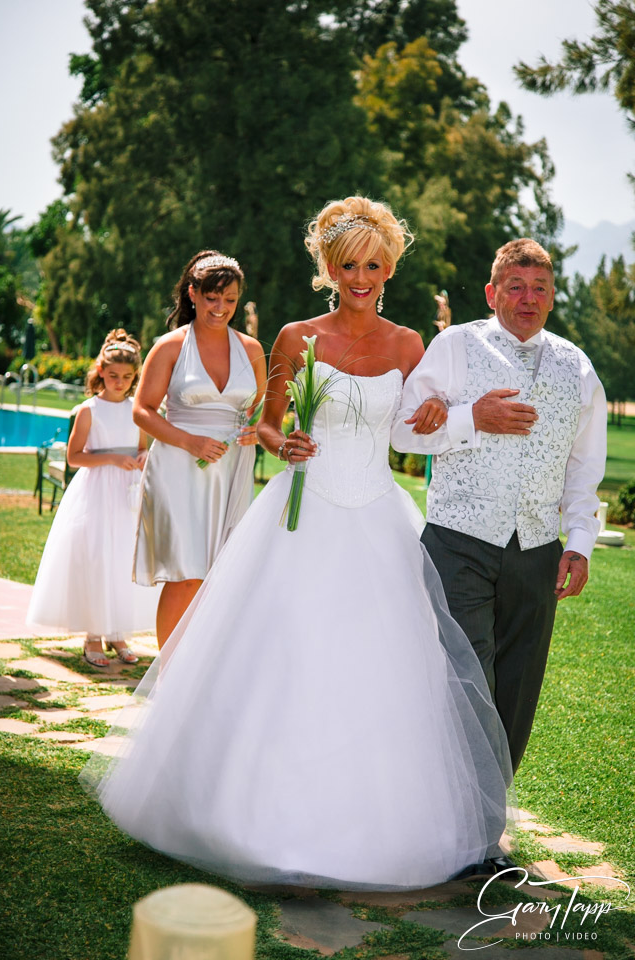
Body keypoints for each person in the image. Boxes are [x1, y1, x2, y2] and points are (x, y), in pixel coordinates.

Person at [83, 197, 512, 891]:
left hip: (376, 517)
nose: (362, 276)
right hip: (302, 517)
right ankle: (253, 817)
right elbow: (270, 425)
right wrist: (288, 442)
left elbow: (408, 436)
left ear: (390, 268)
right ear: (330, 269)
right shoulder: (294, 338)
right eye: (350, 265)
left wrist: (451, 415)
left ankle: (380, 827)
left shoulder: (410, 345)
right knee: (288, 653)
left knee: (385, 666)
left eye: (375, 264)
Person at [391, 238, 607, 778]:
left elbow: (584, 469)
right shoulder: (455, 347)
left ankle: (489, 815)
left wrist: (579, 544)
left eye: (540, 288)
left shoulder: (578, 368)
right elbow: (402, 432)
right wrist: (469, 418)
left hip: (537, 551)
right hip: (458, 541)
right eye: (516, 287)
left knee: (517, 687)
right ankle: (457, 816)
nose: (528, 299)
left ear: (554, 296)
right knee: (467, 676)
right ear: (492, 293)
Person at [132, 251, 266, 648]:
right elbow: (141, 411)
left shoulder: (253, 350)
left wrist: (257, 431)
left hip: (233, 469)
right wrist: (190, 441)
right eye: (211, 297)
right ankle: (169, 679)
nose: (220, 308)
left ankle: (201, 675)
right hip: (178, 464)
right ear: (193, 293)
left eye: (229, 299)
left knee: (221, 573)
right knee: (186, 572)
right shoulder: (170, 346)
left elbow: (261, 415)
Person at [27, 329, 159, 667]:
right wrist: (113, 459)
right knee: (97, 558)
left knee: (122, 561)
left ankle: (118, 634)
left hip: (127, 495)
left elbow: (143, 448)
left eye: (128, 377)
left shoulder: (137, 410)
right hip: (97, 491)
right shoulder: (89, 409)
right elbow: (74, 457)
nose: (120, 383)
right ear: (101, 371)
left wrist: (141, 458)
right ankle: (93, 636)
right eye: (113, 376)